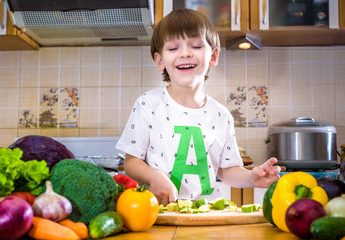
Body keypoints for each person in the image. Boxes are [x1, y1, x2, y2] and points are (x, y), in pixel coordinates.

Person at [115, 8, 280, 206]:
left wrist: (251, 178)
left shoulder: (221, 115)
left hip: (207, 212)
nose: (185, 53)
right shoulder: (148, 104)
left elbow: (227, 170)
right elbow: (131, 161)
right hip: (157, 212)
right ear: (160, 60)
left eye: (195, 45)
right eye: (173, 48)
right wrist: (154, 177)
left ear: (213, 56)